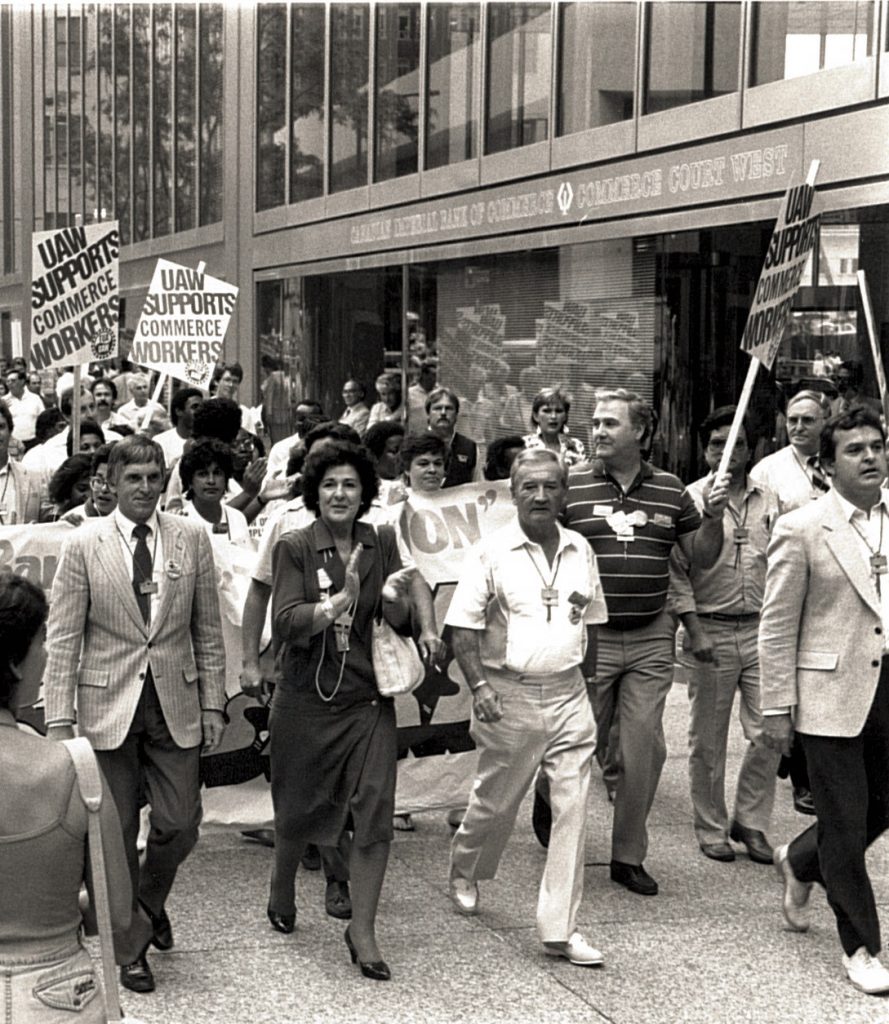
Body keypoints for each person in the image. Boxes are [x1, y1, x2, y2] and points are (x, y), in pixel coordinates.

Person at [44, 434, 226, 995]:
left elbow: (208, 629)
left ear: (165, 480)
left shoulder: (192, 537)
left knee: (179, 824)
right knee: (114, 835)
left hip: (176, 702)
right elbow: (64, 636)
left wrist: (214, 701)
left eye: (153, 477)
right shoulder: (85, 545)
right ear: (111, 484)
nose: (145, 488)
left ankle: (145, 904)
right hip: (105, 708)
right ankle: (128, 950)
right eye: (133, 478)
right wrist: (58, 719)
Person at [560, 388, 728, 896]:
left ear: (642, 432)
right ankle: (559, 824)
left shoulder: (673, 491)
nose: (598, 431)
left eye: (610, 423)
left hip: (653, 635)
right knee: (573, 746)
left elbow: (700, 556)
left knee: (643, 752)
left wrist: (715, 517)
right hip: (589, 636)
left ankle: (627, 854)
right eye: (596, 423)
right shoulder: (569, 487)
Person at [445, 449, 608, 966]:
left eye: (551, 487)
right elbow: (463, 628)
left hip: (569, 696)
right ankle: (466, 868)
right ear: (513, 494)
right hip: (507, 697)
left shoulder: (581, 548)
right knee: (495, 804)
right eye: (529, 487)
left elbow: (593, 617)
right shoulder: (490, 552)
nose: (540, 496)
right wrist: (480, 688)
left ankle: (559, 928)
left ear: (566, 493)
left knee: (573, 809)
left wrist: (590, 679)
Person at [268, 440, 415, 981]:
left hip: (367, 699)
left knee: (375, 807)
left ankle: (364, 930)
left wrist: (396, 602)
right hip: (305, 698)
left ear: (365, 493)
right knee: (296, 805)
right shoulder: (295, 546)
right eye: (329, 484)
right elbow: (284, 621)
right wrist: (337, 602)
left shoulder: (382, 541)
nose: (339, 493)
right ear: (314, 491)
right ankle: (282, 887)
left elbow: (399, 621)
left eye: (350, 484)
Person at [760, 406, 889, 995]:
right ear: (827, 464)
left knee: (878, 808)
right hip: (828, 692)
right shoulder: (802, 527)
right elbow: (777, 624)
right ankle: (861, 945)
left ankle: (802, 861)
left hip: (887, 687)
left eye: (876, 446)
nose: (869, 457)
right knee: (843, 817)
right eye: (854, 449)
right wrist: (777, 705)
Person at [0, 571, 152, 1023]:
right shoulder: (77, 768)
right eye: (41, 642)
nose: (47, 656)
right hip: (59, 991)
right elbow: (117, 917)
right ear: (14, 663)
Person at [670, 407, 780, 864]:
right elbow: (677, 572)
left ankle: (751, 821)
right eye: (717, 444)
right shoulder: (688, 500)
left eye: (735, 444)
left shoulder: (772, 501)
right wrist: (693, 628)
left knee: (770, 734)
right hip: (710, 632)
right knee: (708, 741)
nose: (726, 453)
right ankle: (711, 826)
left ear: (750, 448)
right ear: (704, 448)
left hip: (760, 631)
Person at [750, 388, 833, 816]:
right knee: (795, 683)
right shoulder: (770, 471)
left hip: (835, 590)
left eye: (808, 420)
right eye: (793, 420)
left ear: (826, 421)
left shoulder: (839, 463)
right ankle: (803, 775)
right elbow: (761, 538)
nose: (798, 427)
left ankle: (799, 761)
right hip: (789, 586)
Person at [179, 438, 251, 548]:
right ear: (190, 482)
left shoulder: (237, 518)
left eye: (217, 473)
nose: (211, 481)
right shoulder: (181, 523)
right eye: (203, 474)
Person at [425, 386, 478, 487]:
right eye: (437, 408)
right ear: (428, 414)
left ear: (456, 415)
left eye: (449, 408)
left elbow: (476, 486)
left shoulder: (470, 448)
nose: (443, 413)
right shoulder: (413, 445)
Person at [523, 387, 587, 466]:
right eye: (547, 411)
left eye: (559, 411)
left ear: (565, 416)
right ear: (536, 416)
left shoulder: (576, 446)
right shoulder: (524, 445)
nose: (553, 416)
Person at [0, 402, 41, 524]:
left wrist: (64, 520)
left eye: (1, 427)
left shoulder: (32, 478)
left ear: (10, 431)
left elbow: (49, 521)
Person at [265, 398, 325, 480]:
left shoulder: (327, 444)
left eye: (311, 419)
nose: (305, 423)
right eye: (301, 419)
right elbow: (269, 482)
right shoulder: (280, 449)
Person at [63, 443, 118, 524]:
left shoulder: (137, 520)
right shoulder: (72, 521)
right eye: (99, 481)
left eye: (112, 482)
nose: (103, 489)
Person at [153, 387, 204, 470]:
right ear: (179, 411)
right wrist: (184, 457)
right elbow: (161, 479)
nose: (200, 411)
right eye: (195, 407)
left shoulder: (209, 440)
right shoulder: (161, 441)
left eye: (202, 407)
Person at [213, 361, 258, 434]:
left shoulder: (244, 414)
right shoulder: (205, 409)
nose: (231, 384)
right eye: (227, 380)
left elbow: (250, 441)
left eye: (235, 381)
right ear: (217, 381)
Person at [45, 453, 93, 520]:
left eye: (94, 488)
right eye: (82, 489)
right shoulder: (53, 520)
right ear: (67, 489)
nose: (89, 495)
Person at [4, 367, 44, 444]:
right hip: (12, 443)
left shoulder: (35, 398)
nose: (10, 384)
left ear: (22, 382)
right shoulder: (3, 401)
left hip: (34, 441)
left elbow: (43, 419)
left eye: (13, 381)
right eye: (8, 381)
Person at [407, 361, 437, 434]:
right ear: (424, 375)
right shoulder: (410, 393)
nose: (435, 378)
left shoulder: (440, 392)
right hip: (416, 434)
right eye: (433, 375)